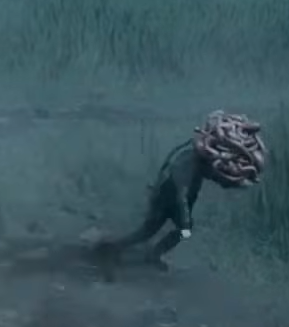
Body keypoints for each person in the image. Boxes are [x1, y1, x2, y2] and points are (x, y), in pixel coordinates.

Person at [95, 110, 267, 271]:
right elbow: (181, 193)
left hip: (175, 200)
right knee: (149, 231)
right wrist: (185, 218)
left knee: (177, 232)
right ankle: (113, 248)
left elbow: (211, 178)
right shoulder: (187, 164)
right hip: (165, 200)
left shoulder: (198, 161)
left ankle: (151, 253)